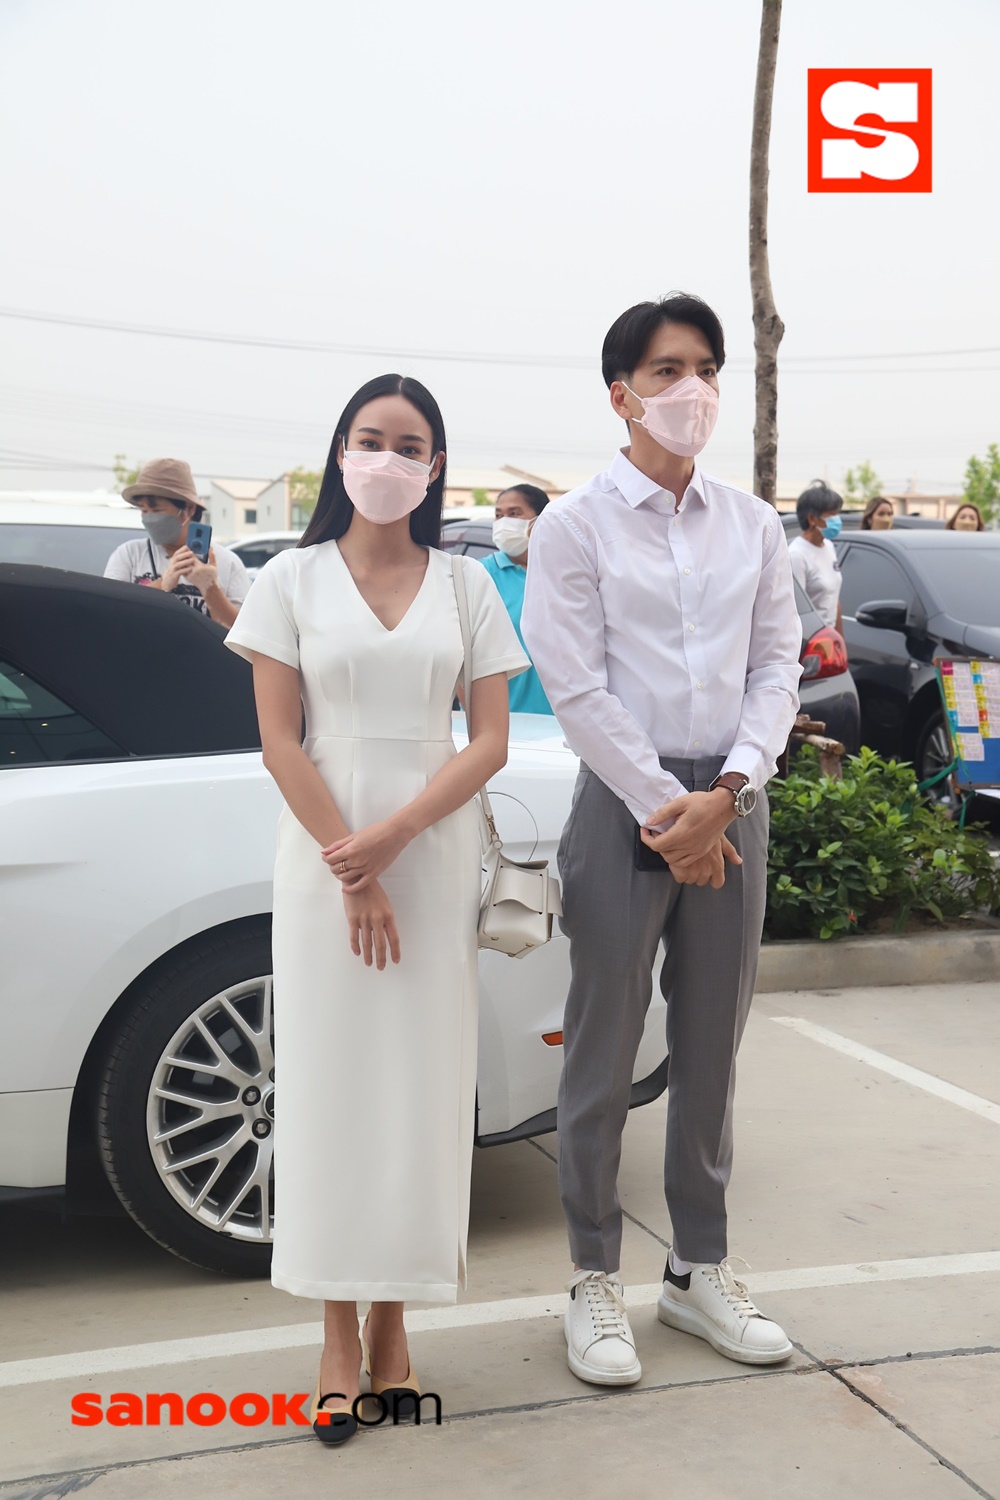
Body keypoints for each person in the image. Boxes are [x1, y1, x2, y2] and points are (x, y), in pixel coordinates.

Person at [224, 374, 528, 1445]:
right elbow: (279, 740)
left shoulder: (467, 585)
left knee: (416, 1091)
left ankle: (394, 1322)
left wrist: (396, 840)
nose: (387, 459)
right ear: (340, 451)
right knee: (329, 1090)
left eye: (409, 444)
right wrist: (352, 864)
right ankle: (334, 1337)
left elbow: (489, 740)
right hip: (323, 860)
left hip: (429, 854)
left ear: (435, 467)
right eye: (370, 438)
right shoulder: (289, 579)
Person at [521, 294, 802, 1388]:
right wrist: (667, 809)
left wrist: (728, 792)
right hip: (622, 799)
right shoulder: (574, 526)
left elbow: (774, 667)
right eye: (667, 370)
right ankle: (593, 1275)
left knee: (711, 1045)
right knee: (602, 1042)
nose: (692, 390)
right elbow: (575, 686)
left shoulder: (752, 525)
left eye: (706, 369)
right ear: (621, 394)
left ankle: (696, 1270)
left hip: (732, 800)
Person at [105, 458, 250, 626]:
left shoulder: (227, 563)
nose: (149, 518)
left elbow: (244, 631)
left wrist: (210, 589)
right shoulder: (129, 555)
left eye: (157, 510)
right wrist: (162, 584)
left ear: (189, 509)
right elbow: (109, 610)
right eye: (144, 511)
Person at [480, 484, 554, 715]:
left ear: (540, 519)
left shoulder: (563, 571)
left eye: (514, 513)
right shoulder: (481, 574)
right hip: (503, 718)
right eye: (498, 515)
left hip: (561, 719)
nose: (504, 522)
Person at [787, 479, 844, 631]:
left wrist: (838, 638)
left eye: (837, 514)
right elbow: (796, 611)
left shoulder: (829, 547)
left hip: (829, 636)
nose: (837, 520)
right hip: (813, 638)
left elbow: (834, 599)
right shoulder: (797, 555)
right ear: (812, 518)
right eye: (832, 515)